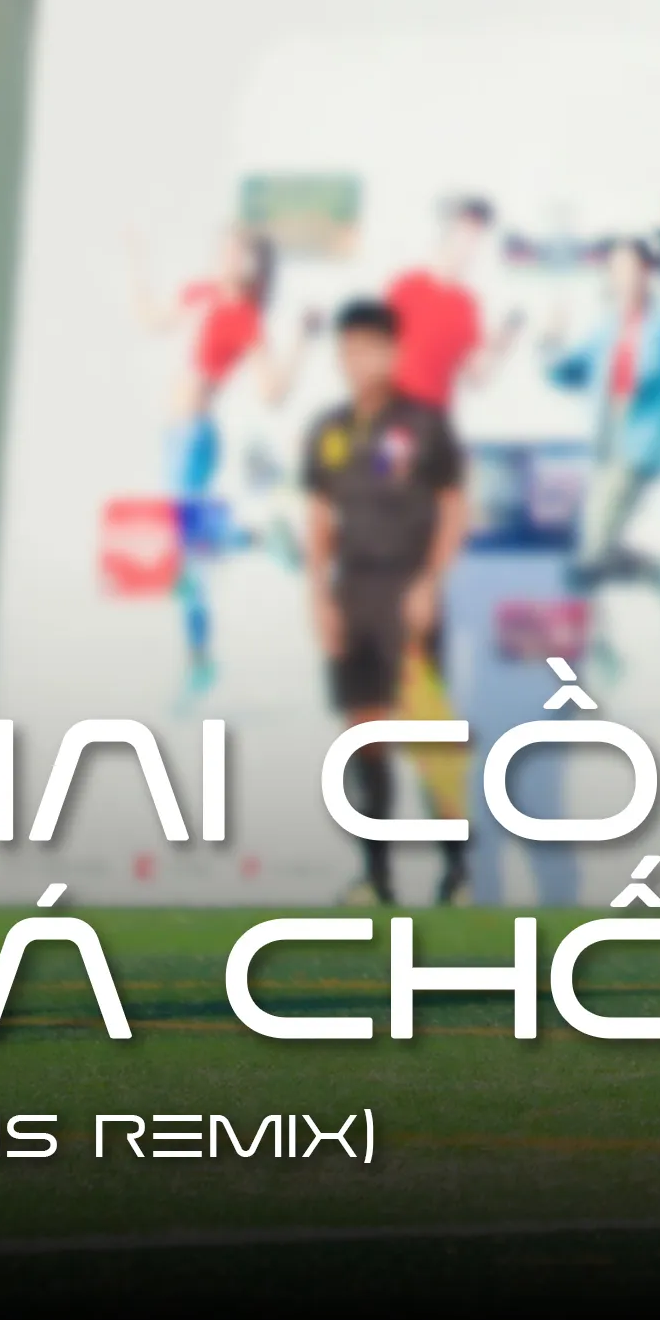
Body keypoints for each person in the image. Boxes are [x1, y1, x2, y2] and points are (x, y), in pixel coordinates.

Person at [303, 300, 469, 906]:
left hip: (408, 589)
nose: (358, 361)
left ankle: (457, 875)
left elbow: (453, 508)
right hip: (354, 591)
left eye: (370, 348)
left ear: (394, 353)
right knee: (364, 735)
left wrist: (431, 581)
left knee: (430, 738)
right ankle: (376, 879)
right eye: (348, 350)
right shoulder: (329, 431)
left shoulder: (424, 425)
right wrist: (320, 596)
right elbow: (319, 517)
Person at [129, 223, 309, 703]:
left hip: (195, 438)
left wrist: (300, 342)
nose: (226, 256)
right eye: (224, 248)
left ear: (251, 267)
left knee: (189, 555)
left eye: (237, 252)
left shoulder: (244, 316)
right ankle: (202, 656)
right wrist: (136, 260)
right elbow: (153, 320)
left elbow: (271, 393)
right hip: (174, 437)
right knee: (192, 555)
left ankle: (202, 659)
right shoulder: (202, 293)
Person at [545, 235, 660, 619]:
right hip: (607, 442)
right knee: (590, 557)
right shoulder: (607, 329)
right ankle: (658, 574)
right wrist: (551, 340)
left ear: (647, 272)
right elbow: (563, 374)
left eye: (630, 268)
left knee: (591, 553)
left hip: (641, 445)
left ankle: (656, 575)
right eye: (615, 270)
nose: (623, 278)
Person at [387, 197, 521, 413]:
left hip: (435, 414)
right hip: (396, 406)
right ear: (447, 232)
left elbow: (477, 377)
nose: (470, 245)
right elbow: (376, 350)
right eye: (465, 233)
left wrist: (501, 345)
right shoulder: (406, 286)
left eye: (477, 238)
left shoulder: (467, 305)